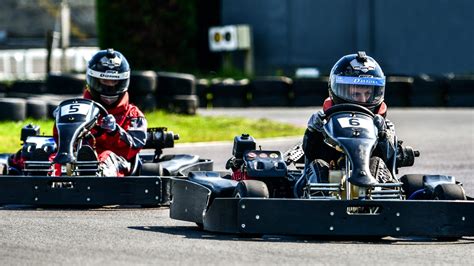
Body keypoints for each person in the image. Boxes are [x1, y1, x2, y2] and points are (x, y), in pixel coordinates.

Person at [297, 51, 391, 193]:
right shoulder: (323, 121)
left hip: (370, 172)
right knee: (318, 164)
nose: (363, 100)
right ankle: (320, 196)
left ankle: (376, 194)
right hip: (328, 171)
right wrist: (313, 132)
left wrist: (383, 136)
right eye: (355, 94)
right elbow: (311, 153)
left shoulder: (382, 125)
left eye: (367, 94)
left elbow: (389, 157)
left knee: (377, 163)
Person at [55, 48, 148, 176]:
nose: (109, 87)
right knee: (54, 156)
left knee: (106, 157)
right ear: (93, 80)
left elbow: (133, 148)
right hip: (76, 158)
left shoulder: (133, 115)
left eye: (114, 81)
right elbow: (58, 140)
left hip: (119, 162)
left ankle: (95, 174)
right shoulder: (78, 109)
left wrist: (115, 131)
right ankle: (44, 178)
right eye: (104, 81)